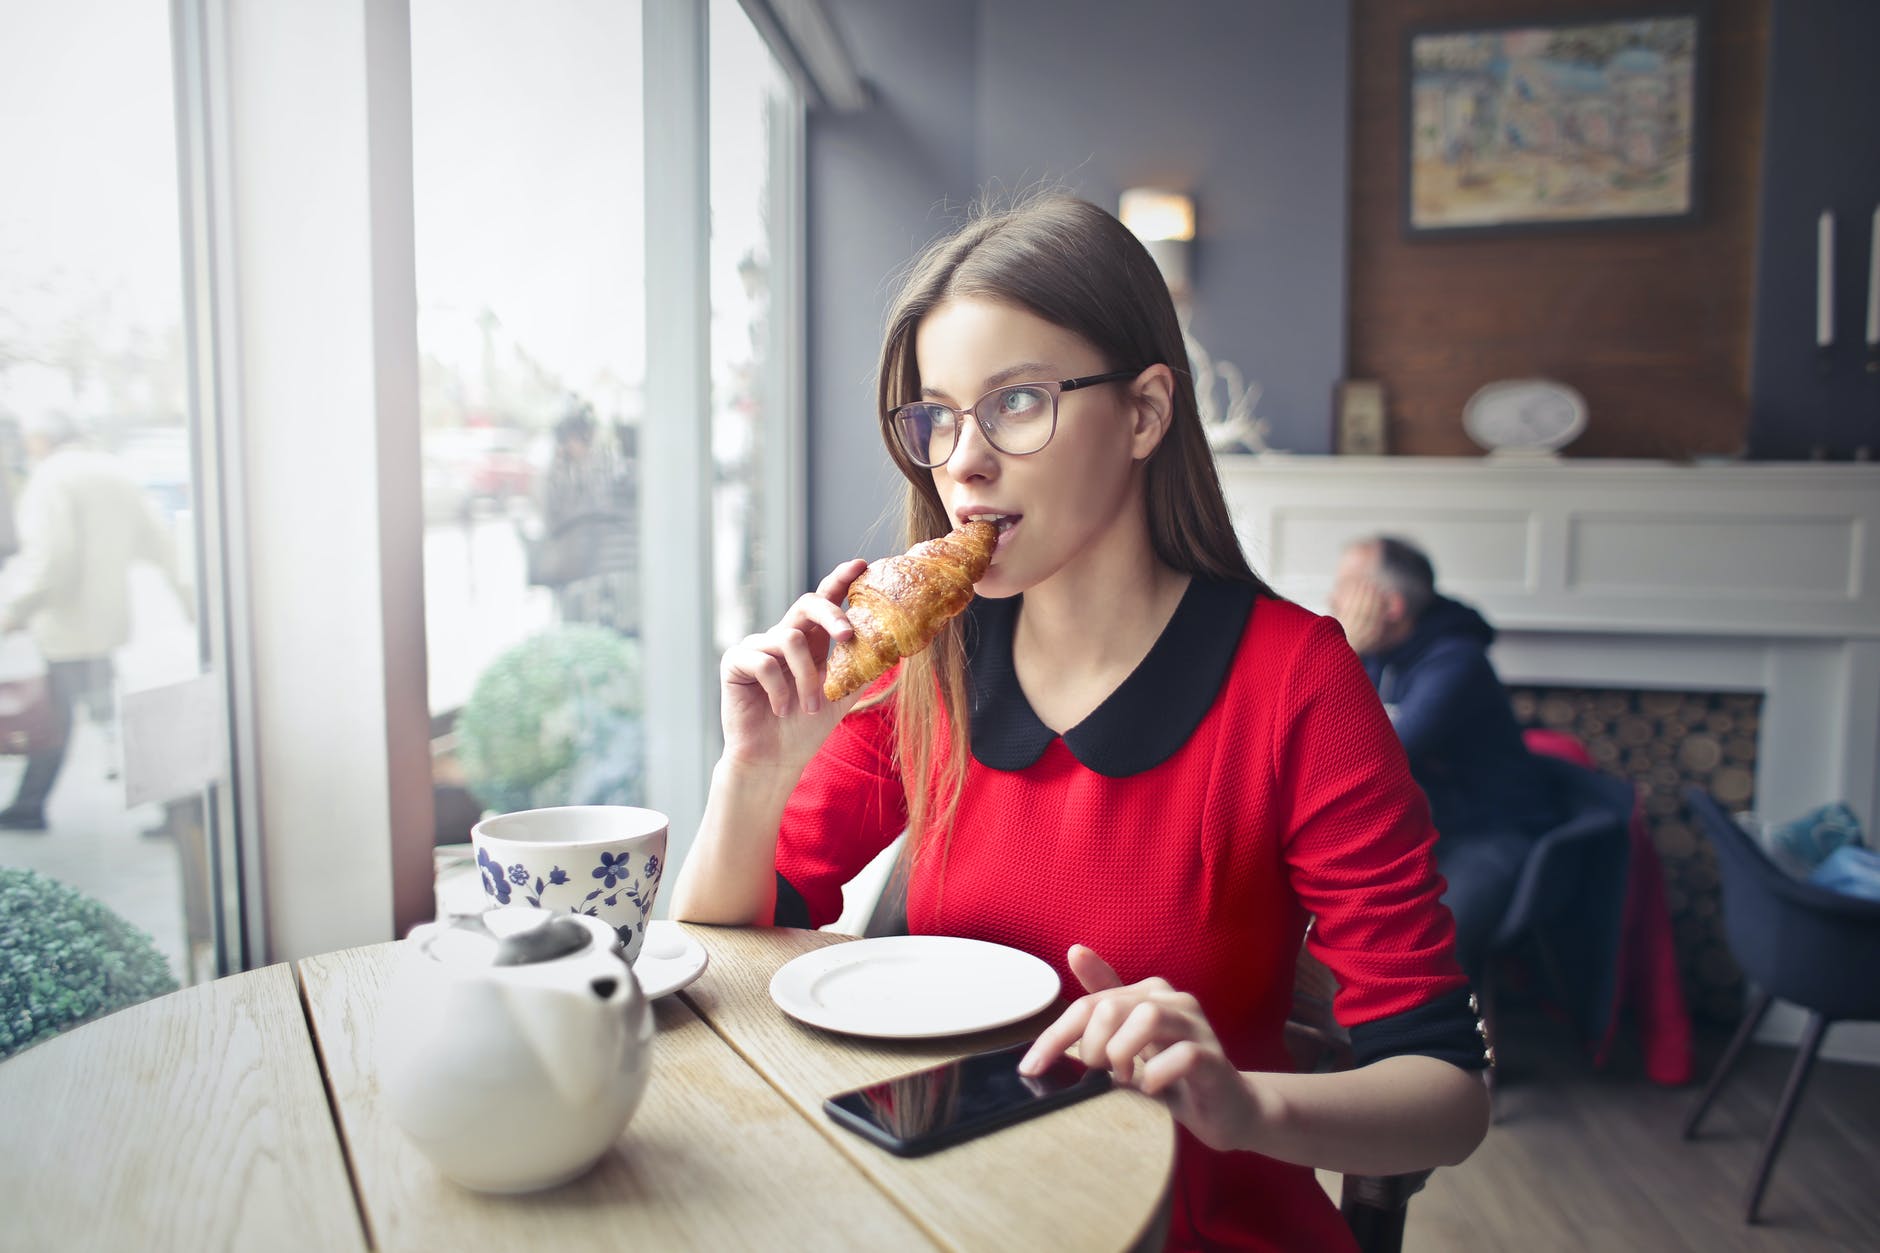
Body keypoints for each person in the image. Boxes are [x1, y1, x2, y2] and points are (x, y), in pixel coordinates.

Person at [671, 194, 1489, 1251]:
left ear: (1144, 412)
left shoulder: (1295, 681)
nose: (960, 460)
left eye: (1015, 402)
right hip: (941, 1207)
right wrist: (753, 768)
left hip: (1197, 1225)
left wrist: (1244, 1102)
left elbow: (1446, 1092)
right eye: (935, 415)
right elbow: (721, 960)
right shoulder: (932, 658)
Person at [1328, 535, 1564, 981]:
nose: (1332, 598)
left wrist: (1343, 651)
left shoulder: (1457, 661)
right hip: (1421, 831)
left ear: (1391, 605)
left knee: (1430, 949)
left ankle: (1434, 1049)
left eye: (1346, 585)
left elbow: (1382, 758)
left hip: (1488, 834)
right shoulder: (1383, 657)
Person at [0, 412, 191, 831]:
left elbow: (52, 558)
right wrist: (190, 602)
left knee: (56, 715)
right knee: (110, 716)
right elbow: (159, 542)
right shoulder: (114, 472)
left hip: (66, 626)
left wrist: (15, 611)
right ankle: (177, 806)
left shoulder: (50, 479)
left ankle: (30, 805)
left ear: (39, 440)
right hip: (111, 622)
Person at [535, 398, 636, 634]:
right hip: (576, 571)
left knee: (603, 629)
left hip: (604, 569)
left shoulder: (607, 466)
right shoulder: (559, 473)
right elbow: (551, 517)